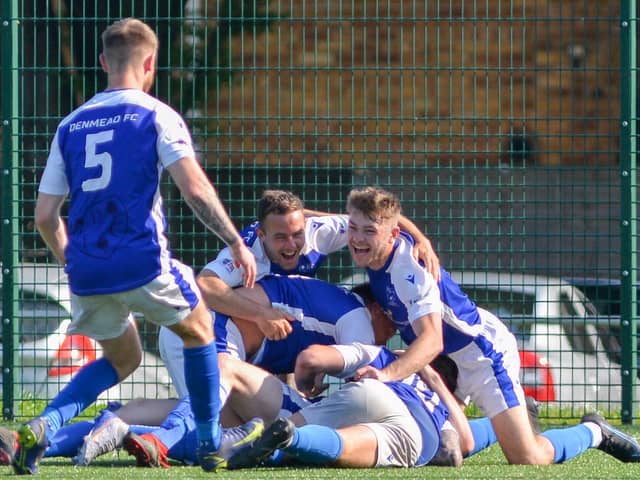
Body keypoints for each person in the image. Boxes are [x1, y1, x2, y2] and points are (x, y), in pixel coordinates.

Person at [10, 17, 261, 475]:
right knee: (200, 329)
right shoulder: (156, 114)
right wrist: (234, 242)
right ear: (150, 63)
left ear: (104, 62)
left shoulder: (70, 124)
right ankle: (209, 444)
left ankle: (42, 427)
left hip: (86, 269)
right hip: (143, 259)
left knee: (122, 357)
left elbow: (45, 217)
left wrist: (73, 262)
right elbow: (195, 189)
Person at [343, 186, 640, 465]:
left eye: (369, 231)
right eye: (353, 229)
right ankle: (511, 417)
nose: (357, 238)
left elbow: (432, 341)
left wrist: (385, 374)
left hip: (482, 354)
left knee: (528, 457)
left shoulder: (409, 271)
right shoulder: (366, 236)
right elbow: (341, 220)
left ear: (392, 234)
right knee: (451, 443)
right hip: (447, 362)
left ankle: (594, 431)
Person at [159, 189, 440, 394]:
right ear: (262, 235)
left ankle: (125, 421)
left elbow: (380, 217)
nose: (292, 245)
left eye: (297, 234)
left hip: (253, 345)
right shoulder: (246, 253)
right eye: (280, 237)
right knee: (212, 422)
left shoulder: (320, 231)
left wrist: (420, 238)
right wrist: (261, 314)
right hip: (203, 332)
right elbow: (205, 286)